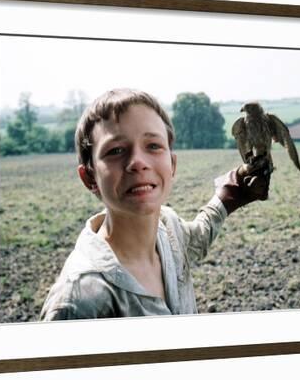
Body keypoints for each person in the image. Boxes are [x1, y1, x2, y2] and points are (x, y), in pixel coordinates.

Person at [40, 88, 270, 320]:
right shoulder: (79, 302)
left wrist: (231, 193)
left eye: (153, 146)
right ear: (90, 177)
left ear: (172, 164)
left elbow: (196, 238)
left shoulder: (167, 226)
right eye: (116, 150)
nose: (138, 162)